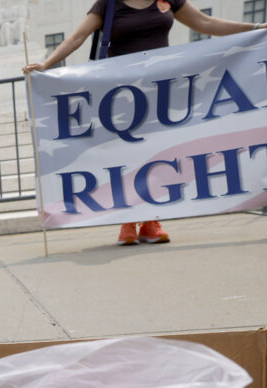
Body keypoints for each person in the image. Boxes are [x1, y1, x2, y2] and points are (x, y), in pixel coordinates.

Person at [23, 0, 265, 246]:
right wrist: (46, 64)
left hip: (162, 93)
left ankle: (150, 222)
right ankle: (128, 221)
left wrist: (256, 28)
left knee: (155, 154)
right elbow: (77, 37)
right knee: (127, 154)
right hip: (121, 95)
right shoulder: (108, 4)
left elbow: (206, 23)